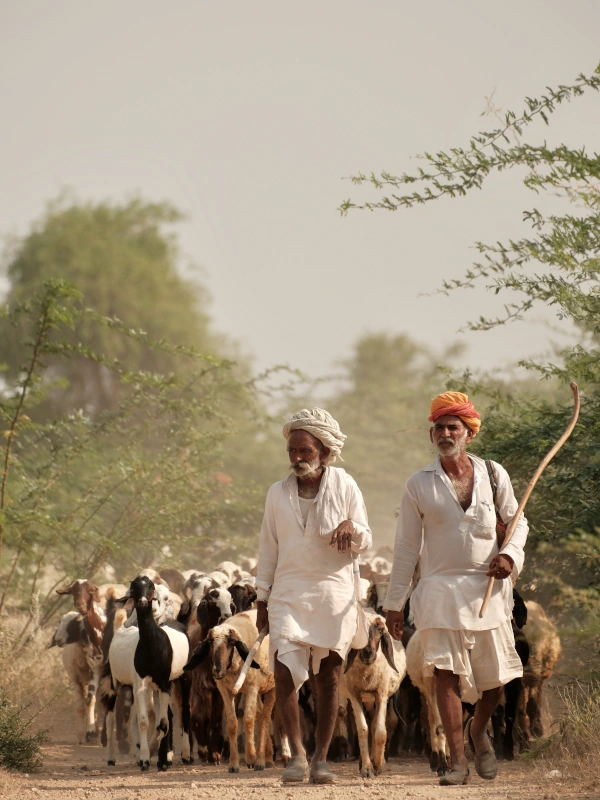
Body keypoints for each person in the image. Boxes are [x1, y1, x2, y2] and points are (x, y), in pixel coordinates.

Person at [384, 391, 528, 786]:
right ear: (431, 434)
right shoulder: (419, 483)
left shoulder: (494, 474)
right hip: (439, 590)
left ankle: (478, 729)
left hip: (488, 588)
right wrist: (395, 604)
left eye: (453, 427)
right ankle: (457, 760)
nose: (446, 434)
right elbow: (406, 547)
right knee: (444, 675)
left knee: (495, 679)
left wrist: (509, 556)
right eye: (439, 428)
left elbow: (518, 522)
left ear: (469, 434)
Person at [255, 407, 372, 785]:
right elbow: (268, 548)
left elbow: (366, 538)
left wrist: (351, 527)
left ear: (324, 451)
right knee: (284, 671)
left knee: (329, 678)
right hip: (288, 591)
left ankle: (321, 758)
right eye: (292, 451)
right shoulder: (277, 493)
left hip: (333, 591)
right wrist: (261, 599)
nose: (297, 457)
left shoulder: (346, 485)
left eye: (304, 450)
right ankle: (297, 755)